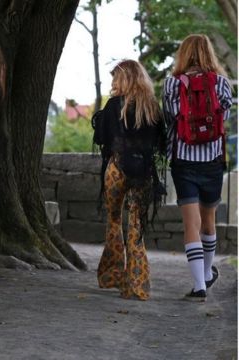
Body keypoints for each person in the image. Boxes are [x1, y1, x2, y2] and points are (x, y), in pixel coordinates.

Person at [162, 34, 233, 302]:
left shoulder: (171, 84)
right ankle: (205, 273)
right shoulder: (222, 84)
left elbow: (169, 118)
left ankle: (198, 285)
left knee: (190, 224)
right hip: (212, 160)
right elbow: (223, 119)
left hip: (183, 159)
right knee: (208, 222)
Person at [95, 59, 165, 301]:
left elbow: (102, 138)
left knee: (114, 220)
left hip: (116, 168)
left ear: (125, 78)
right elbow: (159, 143)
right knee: (136, 226)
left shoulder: (114, 105)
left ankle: (112, 275)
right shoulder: (152, 107)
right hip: (143, 172)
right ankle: (137, 283)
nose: (114, 82)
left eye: (116, 77)